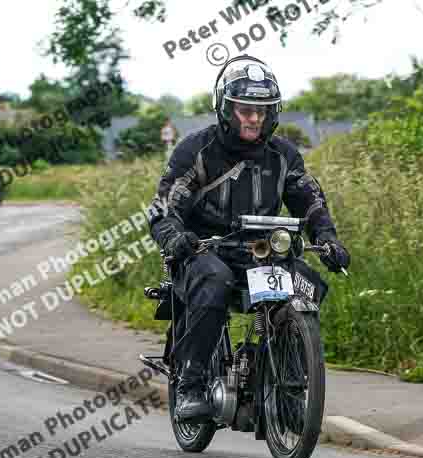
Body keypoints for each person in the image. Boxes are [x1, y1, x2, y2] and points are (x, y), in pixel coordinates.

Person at [146, 55, 351, 422]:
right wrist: (175, 237)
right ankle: (191, 385)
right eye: (245, 109)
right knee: (215, 281)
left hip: (261, 252)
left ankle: (286, 388)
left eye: (262, 110)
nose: (254, 117)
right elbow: (163, 208)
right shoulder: (195, 151)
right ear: (226, 108)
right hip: (202, 251)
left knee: (309, 286)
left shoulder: (284, 155)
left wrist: (328, 237)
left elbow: (309, 200)